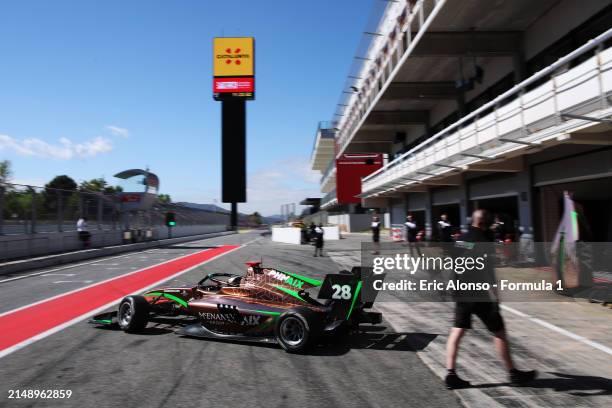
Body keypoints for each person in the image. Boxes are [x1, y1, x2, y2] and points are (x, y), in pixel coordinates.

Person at [445, 209, 536, 389]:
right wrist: (496, 298)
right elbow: (488, 273)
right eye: (490, 223)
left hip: (462, 292)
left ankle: (450, 374)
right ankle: (513, 373)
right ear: (483, 224)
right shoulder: (483, 241)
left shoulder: (461, 239)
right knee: (499, 331)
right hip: (480, 295)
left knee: (457, 331)